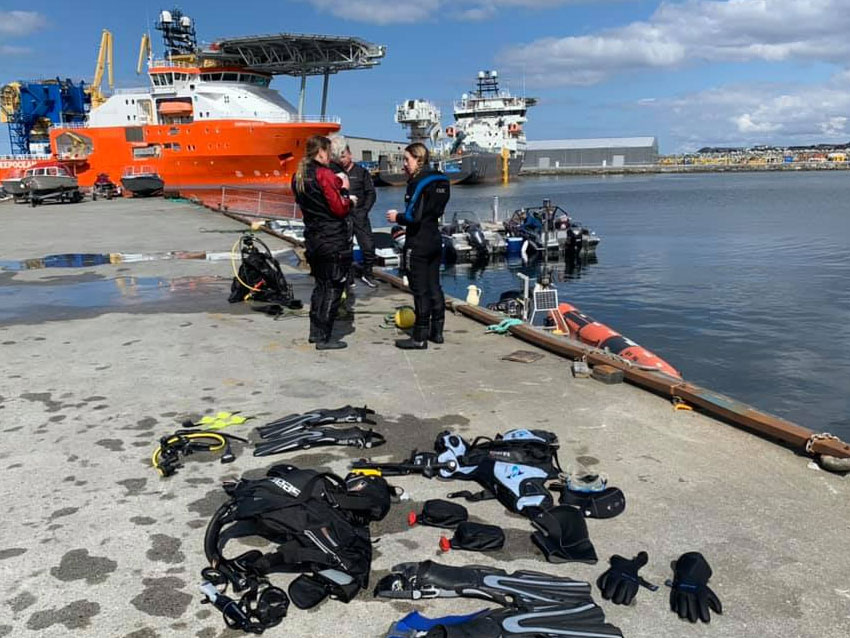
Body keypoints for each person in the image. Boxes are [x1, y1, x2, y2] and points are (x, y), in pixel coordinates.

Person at [292, 135, 356, 350]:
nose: (330, 157)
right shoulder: (323, 173)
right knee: (334, 286)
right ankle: (324, 336)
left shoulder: (299, 176)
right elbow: (339, 208)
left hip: (313, 237)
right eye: (328, 152)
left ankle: (315, 332)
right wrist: (347, 196)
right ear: (321, 152)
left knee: (320, 285)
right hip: (332, 237)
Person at [386, 143, 450, 349]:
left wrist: (396, 217)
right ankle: (437, 332)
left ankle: (420, 337)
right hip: (435, 238)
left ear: (418, 159)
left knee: (420, 289)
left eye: (407, 160)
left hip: (418, 241)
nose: (404, 164)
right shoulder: (441, 179)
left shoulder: (418, 182)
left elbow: (413, 216)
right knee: (434, 286)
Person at [339, 146, 378, 288]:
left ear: (350, 155)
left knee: (368, 246)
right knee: (345, 248)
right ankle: (348, 277)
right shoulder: (335, 172)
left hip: (360, 215)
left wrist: (365, 210)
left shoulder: (361, 172)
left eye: (343, 156)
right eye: (339, 157)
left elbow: (371, 193)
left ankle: (368, 274)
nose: (341, 160)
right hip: (343, 216)